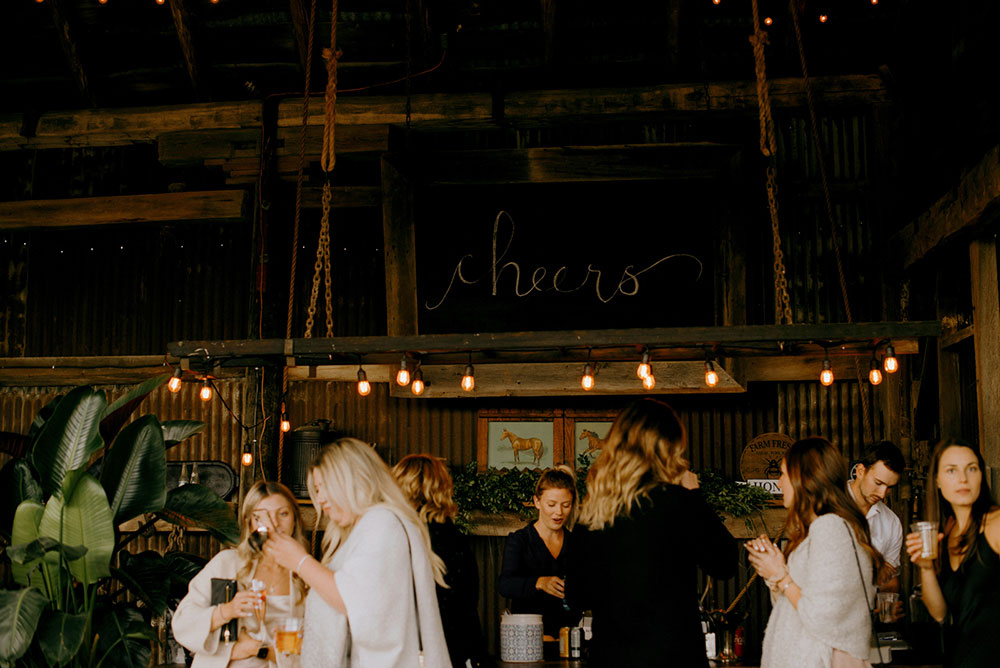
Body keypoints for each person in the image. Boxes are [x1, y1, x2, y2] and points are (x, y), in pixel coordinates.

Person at [569, 398, 737, 667]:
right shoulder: (680, 503)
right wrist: (695, 496)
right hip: (674, 657)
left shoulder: (593, 513)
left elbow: (576, 595)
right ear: (668, 448)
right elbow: (725, 563)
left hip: (612, 658)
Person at [261, 437, 450, 668]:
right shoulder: (367, 527)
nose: (319, 499)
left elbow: (355, 601)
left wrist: (299, 561)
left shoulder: (382, 523)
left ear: (350, 480)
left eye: (322, 488)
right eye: (316, 490)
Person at [746, 437, 881, 668]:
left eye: (783, 474)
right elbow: (797, 607)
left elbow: (822, 615)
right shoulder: (821, 529)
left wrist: (782, 576)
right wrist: (774, 574)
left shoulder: (830, 528)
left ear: (803, 479)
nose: (779, 483)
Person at [173, 480, 309, 668]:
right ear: (250, 523)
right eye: (262, 516)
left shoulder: (306, 574)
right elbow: (183, 623)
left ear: (295, 519)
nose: (274, 524)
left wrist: (258, 649)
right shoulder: (227, 563)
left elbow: (319, 645)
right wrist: (226, 611)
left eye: (283, 514)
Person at [905, 438, 1000, 668]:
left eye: (971, 468)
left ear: (981, 476)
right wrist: (926, 567)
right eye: (951, 470)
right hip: (961, 659)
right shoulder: (946, 532)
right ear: (937, 480)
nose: (963, 479)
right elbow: (940, 614)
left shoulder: (996, 524)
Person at [392, 454, 492, 668]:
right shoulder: (455, 538)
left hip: (412, 651)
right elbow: (468, 603)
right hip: (455, 649)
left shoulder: (400, 535)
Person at [499, 465, 582, 637]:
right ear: (537, 502)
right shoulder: (520, 540)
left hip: (567, 639)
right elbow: (505, 585)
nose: (558, 512)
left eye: (565, 505)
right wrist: (539, 582)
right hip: (527, 638)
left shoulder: (576, 543)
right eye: (551, 504)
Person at [849, 441, 905, 592]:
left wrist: (888, 607)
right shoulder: (829, 504)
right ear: (860, 471)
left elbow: (888, 580)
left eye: (889, 487)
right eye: (878, 483)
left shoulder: (892, 523)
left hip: (865, 612)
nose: (882, 494)